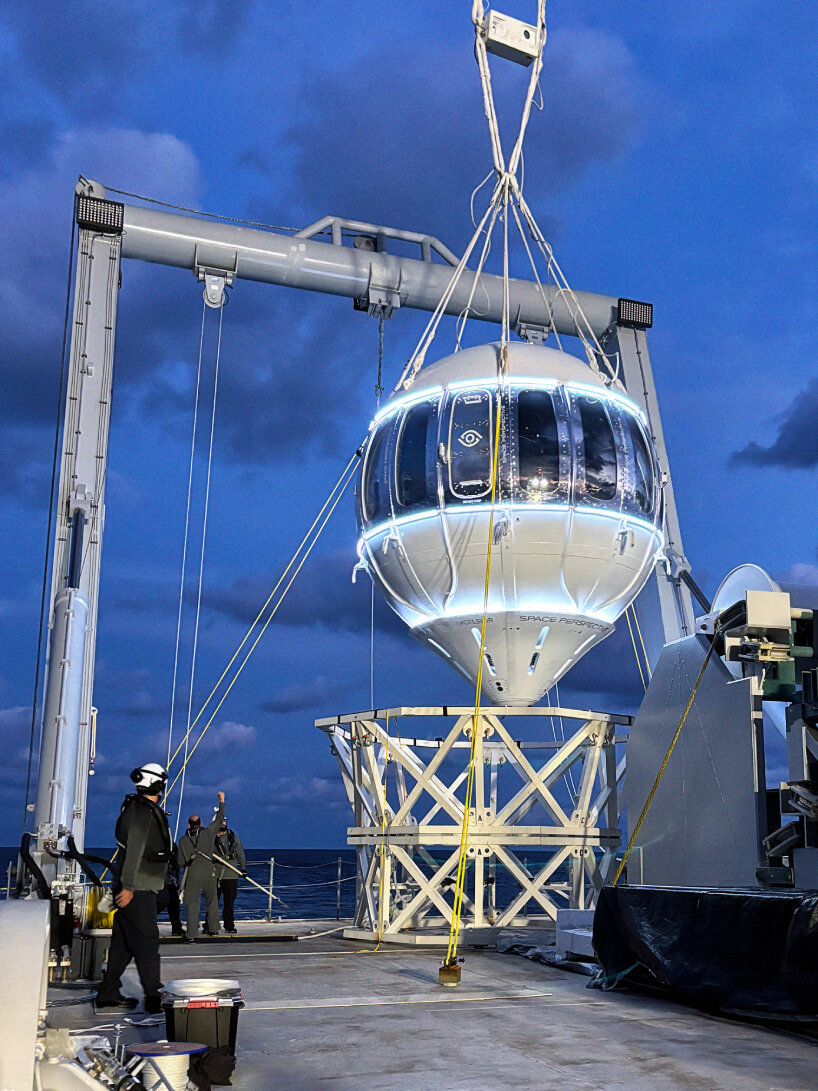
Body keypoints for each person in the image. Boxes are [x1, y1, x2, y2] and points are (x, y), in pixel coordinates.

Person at [95, 763, 171, 1013]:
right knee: (147, 942)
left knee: (124, 943)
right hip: (137, 888)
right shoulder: (142, 812)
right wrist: (128, 887)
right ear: (158, 784)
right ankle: (153, 996)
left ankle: (107, 992)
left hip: (140, 885)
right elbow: (135, 851)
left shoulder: (137, 808)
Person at [178, 791, 225, 940]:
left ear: (188, 824)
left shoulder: (183, 840)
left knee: (192, 904)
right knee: (212, 900)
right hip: (209, 870)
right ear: (200, 824)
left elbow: (180, 862)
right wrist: (222, 801)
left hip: (193, 872)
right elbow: (219, 819)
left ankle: (191, 934)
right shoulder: (208, 833)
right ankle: (213, 928)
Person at [215, 817, 246, 934]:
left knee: (229, 903)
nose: (223, 823)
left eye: (224, 821)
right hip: (215, 875)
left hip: (231, 875)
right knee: (212, 903)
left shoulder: (232, 837)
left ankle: (229, 925)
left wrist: (243, 868)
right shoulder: (210, 837)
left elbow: (240, 852)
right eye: (220, 821)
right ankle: (210, 925)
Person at [156, 840, 184, 937]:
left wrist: (177, 880)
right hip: (159, 880)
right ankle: (150, 926)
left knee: (174, 904)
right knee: (160, 903)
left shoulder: (172, 845)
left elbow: (176, 864)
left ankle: (176, 927)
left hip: (170, 879)